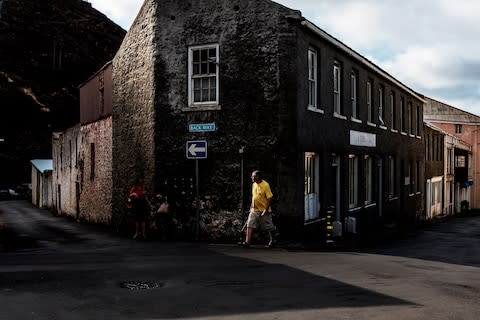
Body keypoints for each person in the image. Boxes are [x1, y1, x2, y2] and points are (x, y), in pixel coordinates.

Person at [239, 170, 275, 248]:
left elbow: (270, 198)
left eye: (253, 176)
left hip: (264, 210)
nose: (252, 177)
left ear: (258, 177)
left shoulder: (265, 185)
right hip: (254, 209)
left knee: (269, 227)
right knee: (249, 224)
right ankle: (247, 242)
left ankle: (272, 241)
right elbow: (254, 196)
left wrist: (266, 210)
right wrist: (251, 207)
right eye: (252, 176)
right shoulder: (254, 185)